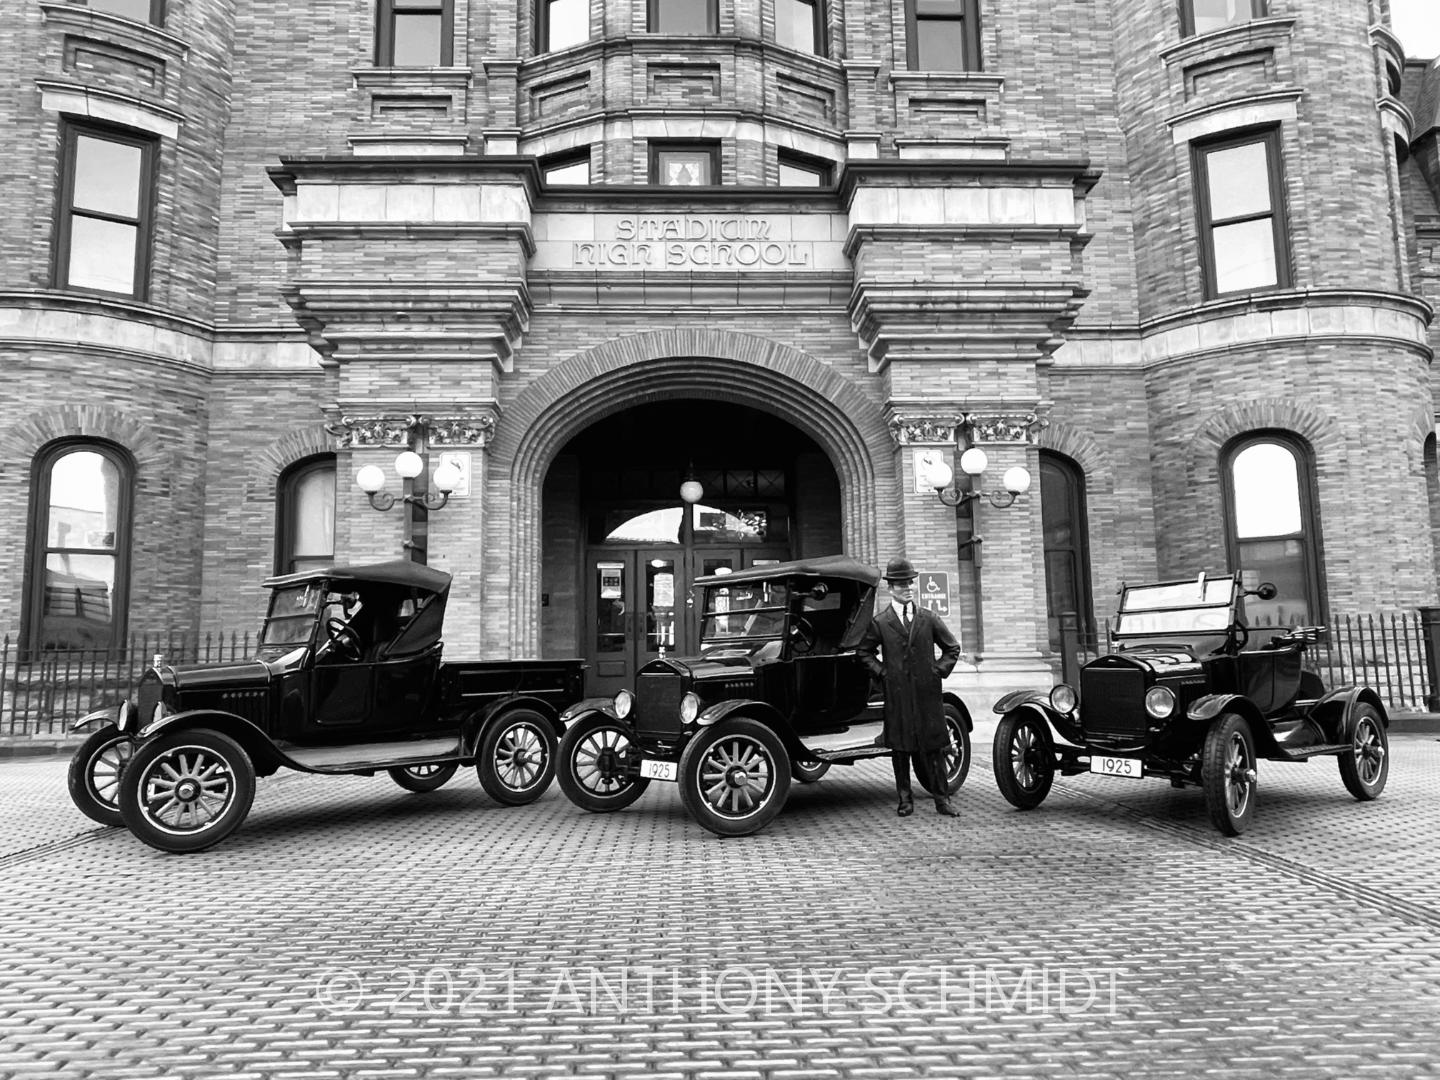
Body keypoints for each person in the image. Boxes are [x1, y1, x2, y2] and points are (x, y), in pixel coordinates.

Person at [858, 557, 963, 817]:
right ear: (891, 588)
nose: (908, 588)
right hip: (898, 695)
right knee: (901, 750)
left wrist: (937, 671)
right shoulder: (881, 622)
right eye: (901, 584)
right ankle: (905, 801)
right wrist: (883, 674)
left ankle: (942, 800)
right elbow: (864, 653)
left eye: (910, 584)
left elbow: (952, 647)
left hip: (928, 695)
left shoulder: (928, 618)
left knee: (935, 748)